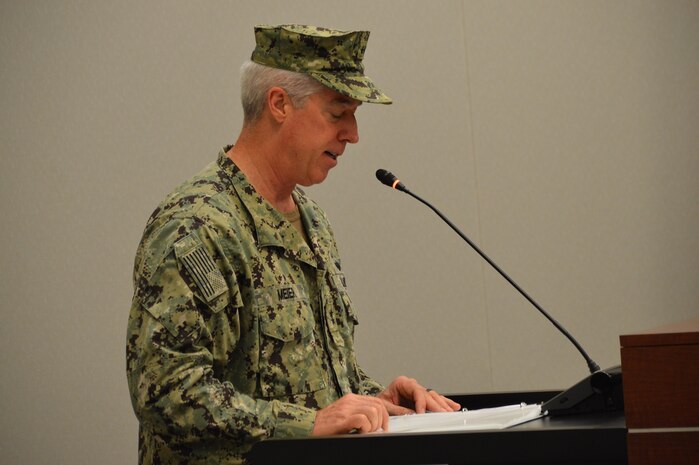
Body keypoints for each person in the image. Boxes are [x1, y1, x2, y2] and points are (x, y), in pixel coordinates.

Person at [126, 24, 460, 465]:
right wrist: (309, 425)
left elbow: (301, 375)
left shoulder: (310, 217)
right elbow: (166, 393)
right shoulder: (197, 226)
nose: (354, 134)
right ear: (279, 104)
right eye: (339, 113)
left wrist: (370, 400)